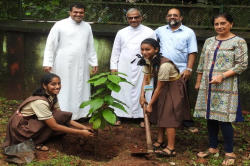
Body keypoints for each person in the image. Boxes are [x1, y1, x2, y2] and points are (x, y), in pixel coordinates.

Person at [194, 13, 248, 165]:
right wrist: (198, 81)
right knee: (210, 117)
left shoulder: (238, 42)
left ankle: (229, 152)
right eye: (217, 24)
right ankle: (213, 147)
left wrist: (222, 76)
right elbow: (202, 62)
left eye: (223, 23)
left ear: (231, 23)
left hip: (226, 86)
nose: (220, 27)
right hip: (207, 85)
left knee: (224, 119)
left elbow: (242, 65)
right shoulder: (209, 41)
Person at [1, 73, 94, 151]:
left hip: (32, 121)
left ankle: (38, 137)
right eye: (53, 84)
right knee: (55, 125)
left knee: (62, 121)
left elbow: (61, 116)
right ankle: (34, 142)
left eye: (59, 83)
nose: (57, 87)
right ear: (44, 86)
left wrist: (83, 127)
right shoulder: (40, 102)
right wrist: (81, 133)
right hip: (21, 128)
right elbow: (54, 125)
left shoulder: (52, 95)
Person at [43, 3, 98, 120]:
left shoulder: (87, 27)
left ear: (84, 13)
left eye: (81, 12)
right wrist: (47, 63)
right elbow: (50, 45)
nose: (78, 15)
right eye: (75, 12)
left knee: (82, 86)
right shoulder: (60, 25)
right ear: (70, 12)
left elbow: (90, 46)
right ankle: (63, 114)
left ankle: (82, 114)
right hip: (64, 62)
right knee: (65, 87)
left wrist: (94, 62)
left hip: (82, 63)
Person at [139, 38, 191, 157]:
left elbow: (160, 88)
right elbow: (146, 79)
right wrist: (142, 96)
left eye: (148, 49)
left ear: (156, 49)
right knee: (158, 113)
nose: (144, 52)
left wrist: (150, 104)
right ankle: (160, 141)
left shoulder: (165, 65)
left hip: (173, 87)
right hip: (161, 86)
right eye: (142, 49)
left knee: (168, 116)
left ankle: (171, 148)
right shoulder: (147, 61)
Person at [110, 8, 156, 126]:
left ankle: (144, 116)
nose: (133, 20)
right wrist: (113, 67)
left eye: (136, 17)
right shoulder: (121, 32)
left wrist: (152, 66)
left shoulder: (149, 32)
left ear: (141, 17)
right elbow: (116, 51)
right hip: (124, 66)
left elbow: (154, 50)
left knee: (146, 88)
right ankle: (119, 115)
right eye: (130, 18)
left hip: (144, 66)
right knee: (121, 90)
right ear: (127, 19)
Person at [155, 8, 198, 132]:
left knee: (181, 96)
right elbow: (151, 45)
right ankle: (162, 118)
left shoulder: (188, 32)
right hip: (162, 70)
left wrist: (189, 69)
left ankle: (185, 121)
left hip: (181, 70)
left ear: (181, 17)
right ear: (166, 17)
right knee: (162, 94)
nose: (172, 17)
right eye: (169, 15)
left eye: (175, 15)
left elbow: (192, 52)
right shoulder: (159, 31)